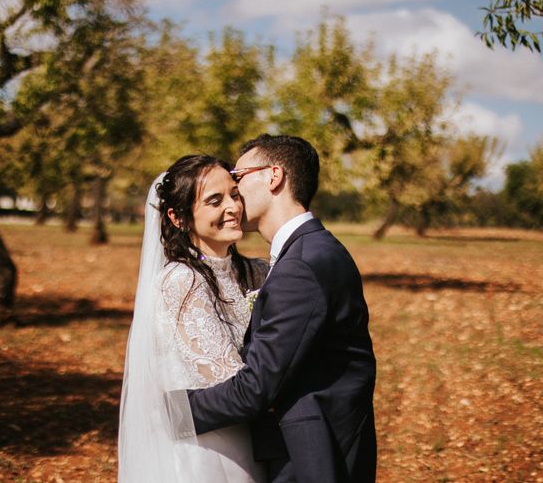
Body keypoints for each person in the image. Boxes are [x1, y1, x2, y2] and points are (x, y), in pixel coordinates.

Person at [167, 134, 378, 483]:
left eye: (239, 176)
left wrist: (170, 413)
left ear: (274, 176)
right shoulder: (310, 251)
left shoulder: (302, 264)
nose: (234, 192)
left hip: (311, 456)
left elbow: (257, 387)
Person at [118, 155, 270, 482]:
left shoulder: (258, 271)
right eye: (215, 201)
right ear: (178, 217)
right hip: (212, 452)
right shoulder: (182, 282)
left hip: (256, 439)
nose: (233, 207)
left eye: (234, 194)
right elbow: (228, 380)